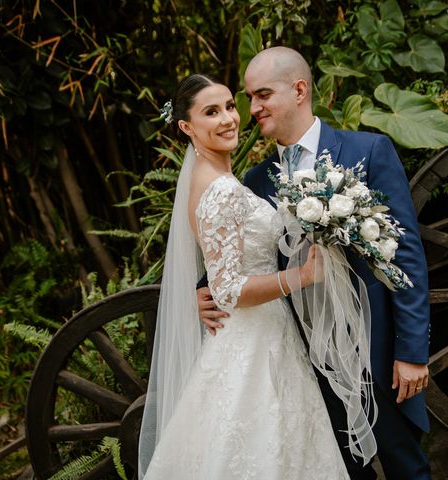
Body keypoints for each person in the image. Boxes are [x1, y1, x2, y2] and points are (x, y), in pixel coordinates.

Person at [198, 47, 432, 479]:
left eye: (263, 94)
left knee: (406, 466)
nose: (254, 109)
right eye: (249, 98)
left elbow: (406, 255)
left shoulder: (369, 152)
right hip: (305, 360)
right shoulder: (255, 179)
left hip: (376, 350)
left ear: (300, 89)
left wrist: (412, 351)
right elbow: (239, 247)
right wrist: (202, 288)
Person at [138, 73, 352, 479]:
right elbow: (229, 289)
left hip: (262, 334)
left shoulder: (220, 182)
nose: (228, 119)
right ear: (186, 127)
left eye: (230, 107)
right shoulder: (220, 191)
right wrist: (303, 276)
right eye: (211, 112)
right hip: (254, 342)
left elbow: (222, 271)